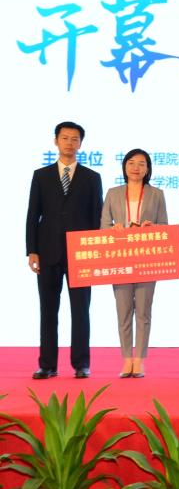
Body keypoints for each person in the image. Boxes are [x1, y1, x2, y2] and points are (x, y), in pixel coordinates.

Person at [26, 121, 103, 379]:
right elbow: (33, 215)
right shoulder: (41, 175)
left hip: (82, 254)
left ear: (81, 144)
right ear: (56, 141)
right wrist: (32, 250)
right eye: (65, 138)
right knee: (48, 310)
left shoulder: (92, 178)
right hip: (48, 252)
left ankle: (81, 363)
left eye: (75, 139)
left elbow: (97, 216)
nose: (70, 143)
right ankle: (47, 364)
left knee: (81, 311)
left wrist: (96, 252)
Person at [100, 148, 168, 378]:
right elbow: (103, 226)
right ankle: (126, 359)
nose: (136, 167)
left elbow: (164, 226)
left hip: (146, 259)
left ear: (148, 169)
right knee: (123, 311)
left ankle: (139, 360)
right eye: (131, 163)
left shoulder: (157, 194)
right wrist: (113, 229)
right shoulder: (113, 193)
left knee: (143, 312)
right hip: (120, 258)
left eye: (141, 163)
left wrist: (152, 227)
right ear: (125, 167)